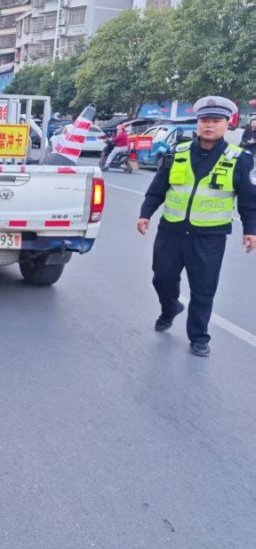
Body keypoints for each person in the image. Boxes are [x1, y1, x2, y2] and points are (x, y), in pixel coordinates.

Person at [137, 96, 256, 357]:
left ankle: (199, 337)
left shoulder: (239, 159)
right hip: (171, 232)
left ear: (227, 124)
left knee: (203, 289)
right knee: (162, 278)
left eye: (216, 121)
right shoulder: (176, 153)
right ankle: (170, 308)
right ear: (198, 123)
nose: (209, 125)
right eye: (204, 120)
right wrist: (146, 213)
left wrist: (251, 229)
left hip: (209, 237)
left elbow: (249, 200)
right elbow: (158, 187)